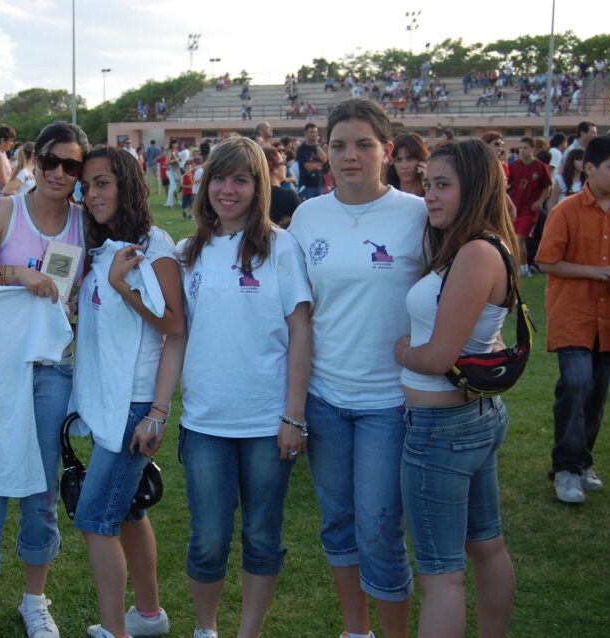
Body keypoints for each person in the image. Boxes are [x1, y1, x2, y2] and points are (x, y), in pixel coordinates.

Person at [0, 121, 89, 638]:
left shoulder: (83, 223)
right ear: (34, 158)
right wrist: (16, 275)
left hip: (54, 368)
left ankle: (35, 600)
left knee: (41, 487)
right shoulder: (8, 210)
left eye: (71, 165)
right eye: (50, 160)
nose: (58, 172)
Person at [289, 98, 426, 638]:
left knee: (379, 530)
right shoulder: (307, 215)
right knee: (338, 522)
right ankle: (356, 630)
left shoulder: (415, 214)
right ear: (326, 151)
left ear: (388, 152)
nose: (351, 155)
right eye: (339, 145)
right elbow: (295, 309)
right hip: (325, 399)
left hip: (389, 403)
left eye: (364, 145)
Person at [168, 135, 312, 638]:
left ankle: (247, 632)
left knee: (261, 535)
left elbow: (300, 332)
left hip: (267, 422)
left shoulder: (281, 246)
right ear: (206, 185)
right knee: (208, 538)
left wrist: (294, 416)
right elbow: (175, 332)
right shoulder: (189, 252)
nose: (229, 191)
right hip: (206, 420)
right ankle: (206, 629)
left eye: (241, 180)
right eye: (220, 179)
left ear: (258, 187)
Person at [396, 139, 517, 637]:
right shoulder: (488, 245)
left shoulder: (474, 253)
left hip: (441, 429)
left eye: (443, 185)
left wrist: (402, 351)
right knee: (487, 544)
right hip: (474, 418)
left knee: (442, 575)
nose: (430, 196)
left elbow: (439, 358)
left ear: (476, 187)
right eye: (428, 185)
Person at [74, 145, 182, 638]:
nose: (92, 195)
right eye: (88, 185)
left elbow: (175, 326)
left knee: (96, 518)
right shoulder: (102, 243)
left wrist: (156, 412)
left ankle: (116, 631)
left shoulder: (151, 245)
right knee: (130, 509)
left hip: (133, 402)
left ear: (126, 184)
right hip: (110, 400)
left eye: (103, 183)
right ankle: (149, 616)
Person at [536, 135, 610, 504]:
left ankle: (582, 462)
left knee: (596, 394)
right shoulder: (565, 211)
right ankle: (566, 468)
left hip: (609, 320)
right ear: (590, 168)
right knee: (578, 383)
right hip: (574, 316)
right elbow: (546, 261)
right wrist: (596, 272)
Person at [507, 137, 552, 277]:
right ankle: (524, 267)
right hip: (516, 208)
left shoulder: (540, 166)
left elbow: (547, 187)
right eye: (520, 148)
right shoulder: (514, 166)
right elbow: (508, 185)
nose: (522, 151)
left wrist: (540, 201)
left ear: (533, 149)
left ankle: (514, 269)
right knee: (519, 241)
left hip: (530, 210)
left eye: (525, 148)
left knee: (519, 239)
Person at [263, 144, 301, 228]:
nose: (285, 165)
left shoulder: (251, 194)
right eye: (283, 162)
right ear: (273, 167)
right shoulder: (288, 196)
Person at [296, 123, 327, 200]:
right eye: (312, 132)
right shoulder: (302, 149)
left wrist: (316, 145)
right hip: (307, 185)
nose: (314, 134)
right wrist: (320, 164)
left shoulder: (317, 147)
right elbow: (308, 167)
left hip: (319, 184)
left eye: (316, 132)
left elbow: (325, 159)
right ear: (305, 133)